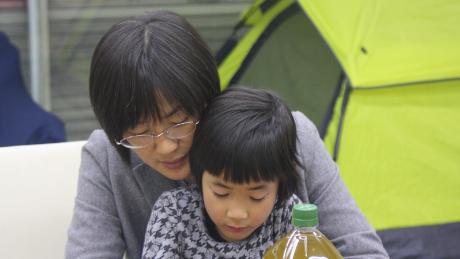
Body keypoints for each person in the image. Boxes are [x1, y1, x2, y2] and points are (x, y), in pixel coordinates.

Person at [65, 11, 389, 259]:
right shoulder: (106, 158)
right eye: (139, 134)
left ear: (208, 98)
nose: (165, 146)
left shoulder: (291, 135)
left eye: (178, 122)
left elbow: (364, 251)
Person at [142, 87, 303, 258]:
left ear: (280, 184)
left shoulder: (289, 215)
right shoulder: (174, 213)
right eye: (221, 193)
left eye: (257, 197)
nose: (237, 214)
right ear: (199, 175)